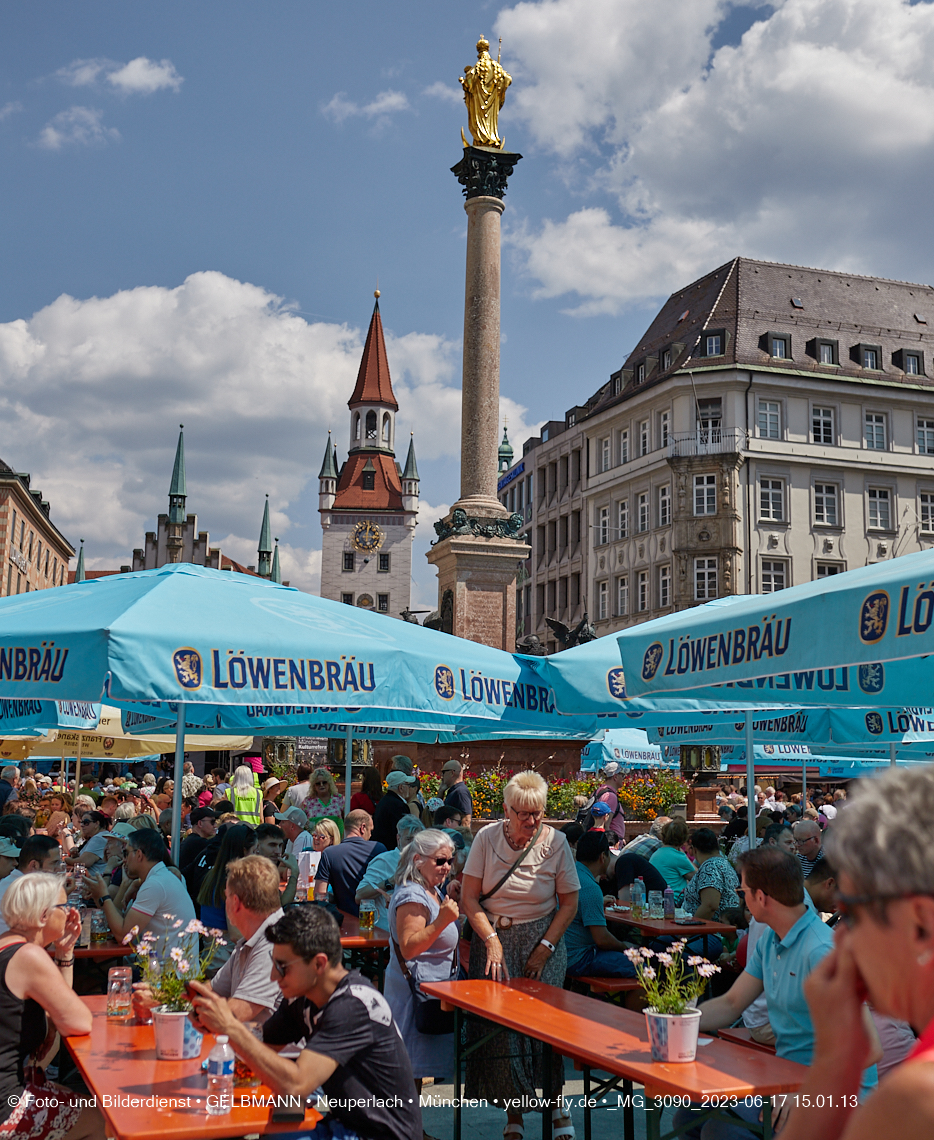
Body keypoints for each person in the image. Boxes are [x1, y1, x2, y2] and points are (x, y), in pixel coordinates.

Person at [672, 847, 879, 1140]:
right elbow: (732, 1003)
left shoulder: (821, 952)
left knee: (723, 1130)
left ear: (761, 897)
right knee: (688, 1114)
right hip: (787, 1081)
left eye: (742, 890)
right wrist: (676, 1020)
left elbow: (869, 1048)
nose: (740, 897)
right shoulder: (771, 938)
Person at [190, 905, 422, 1140]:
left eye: (282, 967)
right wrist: (211, 1022)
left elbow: (297, 1084)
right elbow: (263, 1043)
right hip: (347, 1125)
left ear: (319, 964)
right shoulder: (303, 997)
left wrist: (229, 1027)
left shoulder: (353, 1005)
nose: (273, 976)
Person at [461, 771, 579, 1140]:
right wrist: (492, 939)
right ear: (506, 810)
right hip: (493, 937)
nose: (531, 821)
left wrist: (545, 947)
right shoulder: (485, 838)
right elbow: (468, 898)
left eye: (538, 814)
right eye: (523, 814)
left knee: (547, 1027)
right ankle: (515, 1114)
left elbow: (570, 902)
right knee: (504, 1030)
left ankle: (557, 1103)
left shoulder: (556, 842)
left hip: (541, 938)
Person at [0, 873, 106, 1140]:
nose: (72, 911)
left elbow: (57, 1008)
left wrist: (64, 952)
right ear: (42, 916)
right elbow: (78, 1021)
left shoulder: (8, 945)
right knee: (103, 1119)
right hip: (7, 1106)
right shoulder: (29, 956)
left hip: (16, 1084)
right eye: (64, 905)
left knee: (77, 1099)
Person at [386, 829, 460, 1092]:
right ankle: (406, 1131)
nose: (446, 867)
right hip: (415, 996)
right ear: (418, 860)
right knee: (409, 1072)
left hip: (428, 992)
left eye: (450, 861)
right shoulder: (412, 896)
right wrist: (442, 921)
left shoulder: (430, 890)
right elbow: (409, 947)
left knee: (413, 1071)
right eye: (440, 861)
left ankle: (412, 1130)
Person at [174, 855, 283, 1028]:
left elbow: (234, 1014)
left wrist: (180, 1009)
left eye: (226, 896)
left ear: (235, 903)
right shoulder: (253, 939)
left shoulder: (273, 944)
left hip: (270, 1053)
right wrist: (162, 997)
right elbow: (212, 990)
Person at [87, 828, 196, 957]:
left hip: (167, 974)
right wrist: (99, 897)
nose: (124, 859)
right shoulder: (158, 878)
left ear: (139, 855)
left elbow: (123, 937)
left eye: (126, 853)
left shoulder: (155, 884)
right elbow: (120, 922)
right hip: (164, 967)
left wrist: (103, 896)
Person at [565, 829, 637, 980]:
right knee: (642, 967)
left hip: (563, 954)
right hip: (580, 958)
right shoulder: (591, 888)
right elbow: (602, 939)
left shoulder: (570, 874)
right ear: (602, 857)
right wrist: (626, 947)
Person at [355, 815, 424, 929]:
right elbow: (360, 896)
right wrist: (390, 881)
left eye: (417, 840)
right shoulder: (384, 861)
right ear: (398, 839)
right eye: (409, 839)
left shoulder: (426, 862)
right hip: (386, 935)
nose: (413, 845)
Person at [314, 810, 386, 916]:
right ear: (362, 828)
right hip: (374, 920)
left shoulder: (329, 854)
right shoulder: (378, 849)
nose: (370, 835)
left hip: (344, 920)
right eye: (370, 830)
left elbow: (319, 895)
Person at [197, 823, 258, 945]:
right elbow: (236, 935)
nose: (256, 857)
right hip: (224, 951)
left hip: (210, 949)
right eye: (254, 851)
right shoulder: (234, 881)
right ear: (244, 851)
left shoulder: (215, 874)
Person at [682, 827, 740, 933]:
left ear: (694, 849)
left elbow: (710, 906)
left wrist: (688, 933)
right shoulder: (722, 862)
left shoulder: (710, 867)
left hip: (711, 933)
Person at [649, 817, 695, 903]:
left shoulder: (656, 853)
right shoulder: (677, 856)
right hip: (675, 902)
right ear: (684, 839)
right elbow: (697, 877)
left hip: (658, 900)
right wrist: (683, 854)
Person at [372, 770, 420, 850]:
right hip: (391, 851)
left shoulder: (384, 801)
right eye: (407, 785)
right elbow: (402, 831)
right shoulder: (398, 806)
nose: (408, 788)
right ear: (401, 787)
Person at [590, 761, 627, 845]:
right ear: (615, 777)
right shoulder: (610, 797)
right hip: (611, 846)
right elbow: (605, 824)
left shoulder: (599, 792)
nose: (624, 778)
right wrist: (612, 843)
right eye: (622, 775)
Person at [301, 769, 345, 834]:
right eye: (318, 783)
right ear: (314, 786)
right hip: (315, 841)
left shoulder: (339, 799)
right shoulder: (307, 802)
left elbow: (347, 819)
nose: (321, 785)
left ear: (329, 783)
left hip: (337, 842)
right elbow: (301, 822)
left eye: (324, 782)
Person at [178, 806, 217, 873]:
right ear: (200, 823)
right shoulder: (196, 843)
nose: (215, 825)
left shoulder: (191, 840)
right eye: (212, 822)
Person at [439, 760, 472, 829]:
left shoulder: (461, 792)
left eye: (443, 772)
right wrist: (441, 792)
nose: (442, 776)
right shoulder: (454, 791)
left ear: (452, 773)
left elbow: (466, 820)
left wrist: (460, 838)